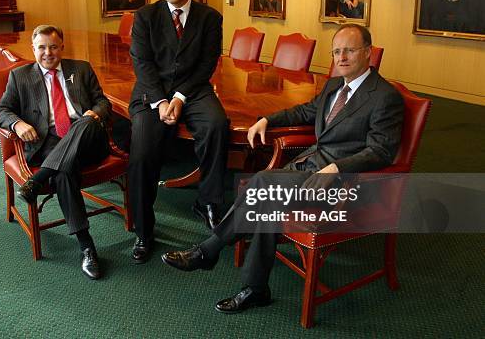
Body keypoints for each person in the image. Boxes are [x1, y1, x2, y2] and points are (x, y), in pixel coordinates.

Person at [162, 24, 404, 313]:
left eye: (349, 50)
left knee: (264, 183)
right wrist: (267, 120)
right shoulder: (334, 85)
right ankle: (255, 289)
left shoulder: (384, 97)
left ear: (368, 53)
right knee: (268, 202)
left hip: (342, 185)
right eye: (336, 51)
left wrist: (338, 168)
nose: (341, 57)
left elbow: (381, 151)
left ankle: (208, 251)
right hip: (308, 168)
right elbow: (305, 111)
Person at [128, 0, 228, 264]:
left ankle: (208, 202)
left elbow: (207, 64)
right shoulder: (145, 16)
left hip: (194, 90)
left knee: (217, 125)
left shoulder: (210, 17)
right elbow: (142, 64)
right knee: (142, 152)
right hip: (151, 94)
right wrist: (160, 102)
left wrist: (180, 97)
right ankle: (144, 230)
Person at [0, 25, 112, 280]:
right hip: (48, 142)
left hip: (89, 139)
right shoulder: (20, 76)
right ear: (33, 49)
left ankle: (37, 180)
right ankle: (87, 246)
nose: (48, 53)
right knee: (63, 172)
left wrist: (96, 113)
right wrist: (18, 123)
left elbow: (103, 102)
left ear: (62, 47)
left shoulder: (81, 69)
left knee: (85, 122)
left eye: (54, 47)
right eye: (42, 47)